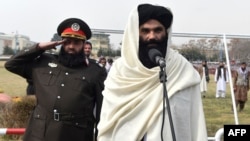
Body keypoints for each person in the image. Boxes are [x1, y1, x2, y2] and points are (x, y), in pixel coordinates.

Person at [97, 3, 207, 141]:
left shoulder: (182, 69)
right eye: (145, 31)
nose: (152, 36)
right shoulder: (120, 71)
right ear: (135, 34)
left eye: (158, 30)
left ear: (166, 33)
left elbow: (194, 124)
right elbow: (108, 123)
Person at [4, 18, 107, 141]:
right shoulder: (43, 62)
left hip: (75, 135)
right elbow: (11, 64)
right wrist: (38, 47)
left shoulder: (95, 71)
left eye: (76, 42)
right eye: (67, 41)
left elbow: (102, 110)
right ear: (60, 42)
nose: (71, 46)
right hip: (39, 134)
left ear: (84, 44)